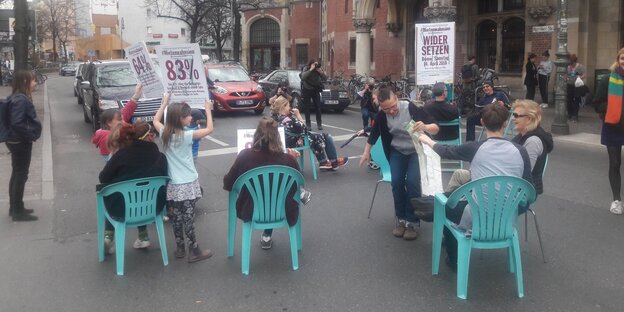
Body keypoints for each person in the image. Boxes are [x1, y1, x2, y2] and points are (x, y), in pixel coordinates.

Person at [418, 104, 532, 270]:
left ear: (482, 122)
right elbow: (527, 187)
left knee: (444, 207)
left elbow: (446, 151)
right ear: (506, 122)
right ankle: (433, 207)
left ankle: (454, 260)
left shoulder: (476, 148)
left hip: (478, 213)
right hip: (507, 213)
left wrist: (427, 140)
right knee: (452, 197)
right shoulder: (521, 151)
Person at [359, 87, 439, 240]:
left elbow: (435, 128)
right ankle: (401, 220)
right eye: (386, 109)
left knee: (413, 182)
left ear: (396, 98)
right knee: (396, 182)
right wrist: (366, 152)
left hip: (416, 151)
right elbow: (374, 133)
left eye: (393, 106)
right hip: (397, 151)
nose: (391, 111)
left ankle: (412, 222)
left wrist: (425, 127)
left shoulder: (410, 107)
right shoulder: (383, 115)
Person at [223, 117, 304, 249]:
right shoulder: (288, 160)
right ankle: (269, 235)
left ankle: (263, 237)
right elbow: (297, 186)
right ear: (277, 136)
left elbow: (228, 184)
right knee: (275, 194)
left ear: (257, 134)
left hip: (251, 210)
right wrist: (293, 159)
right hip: (283, 210)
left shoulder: (244, 156)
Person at [153, 95, 214, 263]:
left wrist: (164, 103)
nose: (192, 117)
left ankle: (180, 247)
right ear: (180, 119)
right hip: (187, 182)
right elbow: (209, 130)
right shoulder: (186, 135)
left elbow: (155, 120)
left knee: (177, 217)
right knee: (188, 218)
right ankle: (194, 250)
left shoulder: (165, 132)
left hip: (173, 183)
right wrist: (208, 109)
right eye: (188, 115)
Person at [99, 122, 167, 254]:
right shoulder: (160, 157)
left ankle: (108, 236)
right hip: (154, 207)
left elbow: (103, 177)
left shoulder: (120, 156)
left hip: (121, 209)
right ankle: (143, 236)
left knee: (110, 192)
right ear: (151, 137)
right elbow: (166, 179)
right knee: (142, 194)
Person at [271, 96, 348, 170]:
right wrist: (298, 114)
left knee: (315, 136)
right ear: (283, 107)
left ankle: (323, 162)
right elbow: (304, 129)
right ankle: (334, 162)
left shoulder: (276, 117)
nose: (290, 107)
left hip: (285, 141)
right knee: (326, 136)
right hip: (295, 142)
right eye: (288, 106)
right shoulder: (289, 120)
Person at [5, 70, 41, 221]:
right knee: (21, 174)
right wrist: (30, 135)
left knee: (17, 173)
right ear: (25, 82)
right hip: (20, 141)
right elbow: (17, 122)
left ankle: (15, 207)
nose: (35, 83)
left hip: (14, 140)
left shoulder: (16, 97)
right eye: (33, 80)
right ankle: (17, 211)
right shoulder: (21, 100)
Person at [511, 100, 554, 201]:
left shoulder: (533, 141)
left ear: (529, 119)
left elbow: (524, 173)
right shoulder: (522, 136)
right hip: (514, 186)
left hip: (523, 192)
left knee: (475, 202)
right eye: (513, 114)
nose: (513, 119)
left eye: (517, 115)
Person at [598, 48, 624, 214]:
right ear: (618, 59)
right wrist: (612, 110)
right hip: (613, 127)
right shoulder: (608, 79)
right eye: (623, 58)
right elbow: (597, 102)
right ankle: (617, 200)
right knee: (615, 163)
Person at [91, 84, 141, 161]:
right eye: (120, 119)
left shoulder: (109, 131)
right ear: (109, 123)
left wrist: (135, 96)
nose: (123, 121)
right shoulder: (108, 138)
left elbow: (125, 112)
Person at [300, 59, 327, 130]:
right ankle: (308, 125)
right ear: (311, 64)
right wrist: (311, 69)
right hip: (307, 89)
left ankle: (319, 124)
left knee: (318, 107)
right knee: (307, 108)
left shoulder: (318, 69)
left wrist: (321, 72)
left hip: (315, 90)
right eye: (314, 64)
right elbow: (303, 77)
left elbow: (325, 78)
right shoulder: (306, 68)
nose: (316, 66)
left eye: (316, 64)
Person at [566, 54, 585, 123]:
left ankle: (575, 115)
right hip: (569, 85)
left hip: (577, 85)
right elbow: (565, 74)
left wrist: (579, 77)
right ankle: (569, 114)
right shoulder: (568, 67)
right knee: (569, 100)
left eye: (572, 63)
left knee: (576, 100)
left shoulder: (580, 66)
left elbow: (584, 75)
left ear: (574, 62)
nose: (571, 65)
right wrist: (566, 78)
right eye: (570, 63)